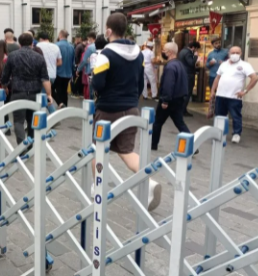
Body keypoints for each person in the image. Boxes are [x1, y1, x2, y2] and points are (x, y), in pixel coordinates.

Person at [92, 13, 161, 211]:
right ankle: (150, 182)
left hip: (107, 109)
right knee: (127, 151)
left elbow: (98, 83)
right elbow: (141, 83)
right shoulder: (138, 54)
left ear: (108, 30)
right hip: (131, 109)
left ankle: (97, 188)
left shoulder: (105, 54)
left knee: (96, 149)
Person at [1, 33, 53, 145]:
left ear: (19, 43)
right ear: (32, 42)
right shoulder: (39, 57)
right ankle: (30, 144)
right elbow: (45, 78)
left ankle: (21, 146)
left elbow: (5, 75)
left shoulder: (12, 56)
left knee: (18, 121)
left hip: (18, 92)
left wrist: (4, 86)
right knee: (32, 120)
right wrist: (49, 94)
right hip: (35, 93)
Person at [210, 46, 258, 144]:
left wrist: (245, 91)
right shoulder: (223, 64)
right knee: (219, 116)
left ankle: (236, 134)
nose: (235, 54)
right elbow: (217, 78)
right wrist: (212, 91)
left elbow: (255, 78)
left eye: (237, 52)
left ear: (241, 54)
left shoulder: (245, 65)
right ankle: (218, 133)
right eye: (233, 52)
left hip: (234, 96)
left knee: (236, 116)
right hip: (221, 95)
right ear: (229, 54)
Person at [151, 42, 191, 151]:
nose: (163, 52)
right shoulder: (179, 64)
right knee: (180, 123)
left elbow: (168, 84)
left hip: (170, 100)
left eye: (164, 50)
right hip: (179, 99)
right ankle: (192, 145)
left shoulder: (170, 66)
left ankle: (153, 144)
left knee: (158, 122)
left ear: (170, 52)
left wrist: (165, 100)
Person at [178, 41, 201, 116]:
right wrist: (196, 56)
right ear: (193, 47)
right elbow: (191, 63)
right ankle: (183, 110)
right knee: (187, 93)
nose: (196, 51)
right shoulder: (188, 53)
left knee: (184, 92)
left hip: (183, 73)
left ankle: (181, 109)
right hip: (188, 74)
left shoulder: (182, 51)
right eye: (196, 49)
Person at [55, 29, 75, 108]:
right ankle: (65, 105)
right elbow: (73, 61)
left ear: (60, 35)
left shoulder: (57, 45)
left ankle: (60, 104)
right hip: (68, 72)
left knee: (57, 90)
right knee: (64, 90)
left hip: (59, 71)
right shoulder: (71, 46)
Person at [78, 32, 97, 99]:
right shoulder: (99, 45)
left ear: (91, 38)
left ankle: (91, 105)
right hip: (99, 69)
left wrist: (78, 69)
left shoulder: (90, 47)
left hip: (90, 70)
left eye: (88, 38)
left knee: (91, 91)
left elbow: (84, 60)